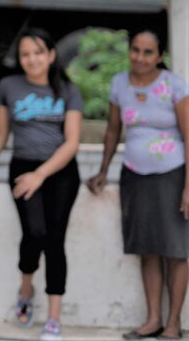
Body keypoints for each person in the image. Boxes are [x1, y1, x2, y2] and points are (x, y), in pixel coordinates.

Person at [0, 29, 83, 341]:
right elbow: (0, 136)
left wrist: (41, 175)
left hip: (61, 170)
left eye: (39, 53)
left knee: (55, 240)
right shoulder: (9, 86)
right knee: (34, 233)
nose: (32, 60)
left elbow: (71, 143)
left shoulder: (68, 89)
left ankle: (53, 318)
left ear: (51, 55)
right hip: (23, 166)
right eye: (26, 54)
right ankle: (26, 287)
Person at [86, 29, 188, 341]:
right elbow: (113, 130)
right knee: (147, 248)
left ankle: (173, 323)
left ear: (159, 56)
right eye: (135, 50)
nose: (140, 58)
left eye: (148, 52)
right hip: (135, 175)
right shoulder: (119, 84)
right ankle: (152, 320)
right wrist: (103, 170)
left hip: (172, 175)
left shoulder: (174, 86)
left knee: (176, 249)